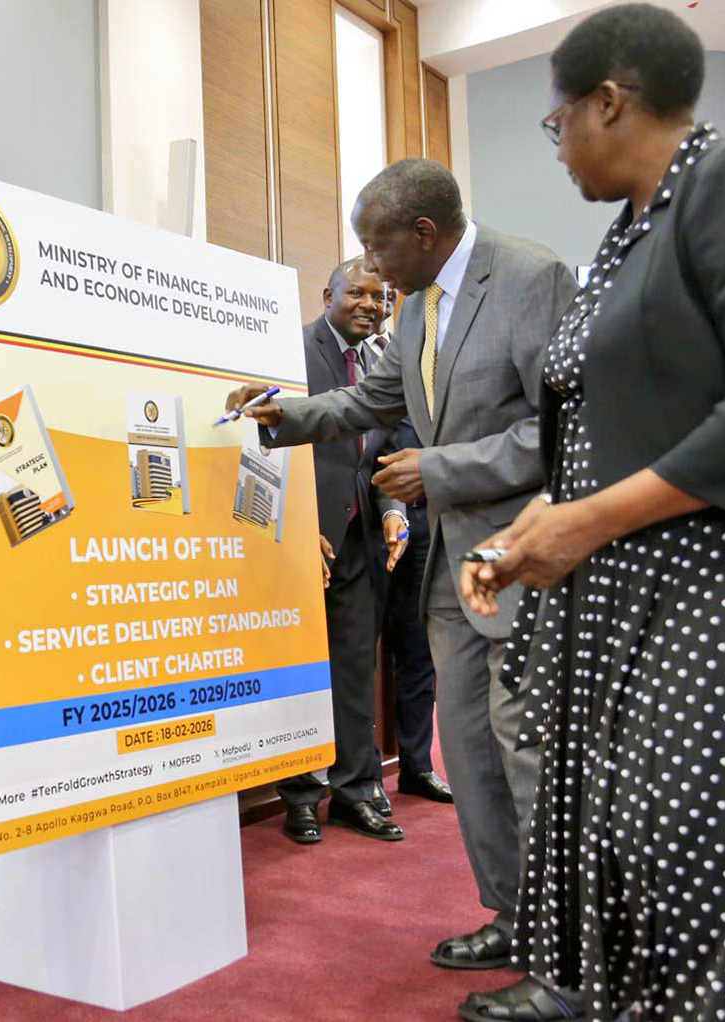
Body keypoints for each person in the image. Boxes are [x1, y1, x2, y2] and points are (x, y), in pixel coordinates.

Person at [458, 6, 725, 1021]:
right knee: (629, 836)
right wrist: (526, 530)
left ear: (608, 101)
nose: (558, 148)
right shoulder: (629, 232)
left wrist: (583, 524)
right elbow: (621, 427)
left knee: (696, 841)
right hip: (637, 578)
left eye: (555, 125)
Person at [226, 159, 577, 969]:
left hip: (522, 557)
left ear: (424, 232)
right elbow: (368, 401)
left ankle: (565, 939)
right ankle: (513, 917)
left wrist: (440, 471)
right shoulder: (418, 309)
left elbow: (563, 432)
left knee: (526, 748)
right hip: (448, 572)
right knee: (473, 749)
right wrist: (279, 413)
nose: (370, 266)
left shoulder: (531, 278)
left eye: (376, 245)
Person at [278, 258, 409, 845]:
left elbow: (385, 452)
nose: (370, 305)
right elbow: (266, 442)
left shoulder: (383, 361)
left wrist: (393, 513)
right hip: (305, 538)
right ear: (327, 293)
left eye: (380, 297)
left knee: (357, 667)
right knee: (303, 672)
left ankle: (356, 792)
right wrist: (297, 525)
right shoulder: (290, 349)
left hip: (361, 538)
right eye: (356, 292)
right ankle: (302, 796)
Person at [365, 289, 453, 806]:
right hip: (366, 522)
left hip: (426, 516)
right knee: (362, 654)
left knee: (418, 653)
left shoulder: (434, 356)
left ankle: (417, 766)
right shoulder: (356, 358)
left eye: (386, 297)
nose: (379, 304)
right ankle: (358, 773)